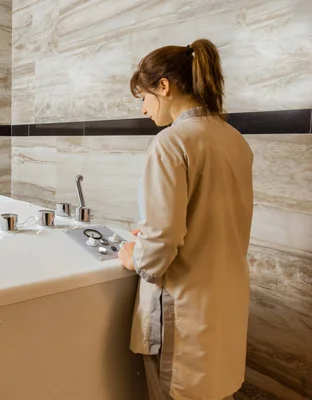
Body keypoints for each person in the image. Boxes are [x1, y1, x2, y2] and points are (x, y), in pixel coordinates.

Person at [117, 39, 254, 400]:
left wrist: (137, 256)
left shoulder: (171, 142)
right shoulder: (234, 140)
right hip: (226, 304)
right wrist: (153, 230)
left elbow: (163, 241)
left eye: (144, 97)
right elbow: (214, 218)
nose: (144, 110)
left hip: (185, 311)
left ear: (164, 86)